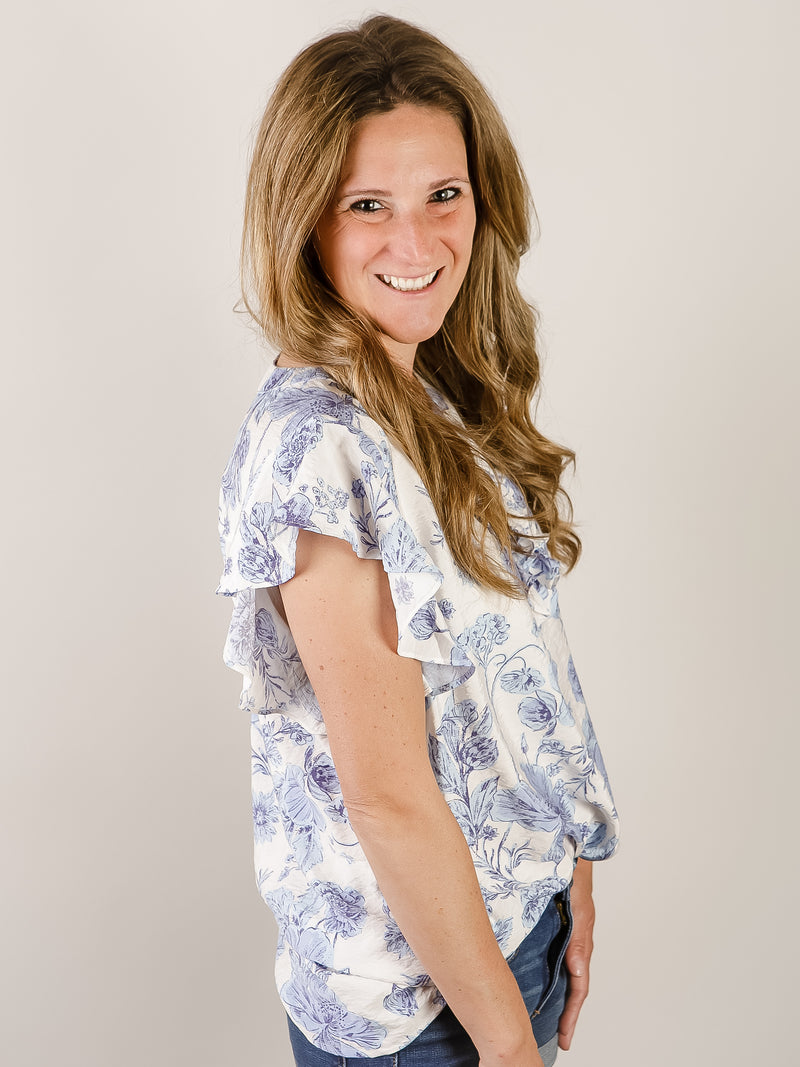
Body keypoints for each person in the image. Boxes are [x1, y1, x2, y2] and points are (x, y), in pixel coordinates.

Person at [218, 15, 618, 1067]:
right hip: (422, 1010)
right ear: (303, 220)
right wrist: (507, 1045)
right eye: (366, 206)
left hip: (500, 934)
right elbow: (388, 797)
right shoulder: (318, 446)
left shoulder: (422, 386)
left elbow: (500, 671)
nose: (415, 243)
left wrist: (563, 854)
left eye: (442, 194)